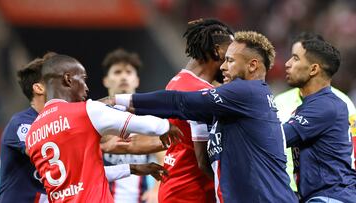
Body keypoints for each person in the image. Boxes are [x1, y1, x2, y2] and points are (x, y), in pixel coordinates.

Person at [113, 31, 298, 202]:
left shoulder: (245, 92)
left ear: (252, 65)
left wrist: (118, 101)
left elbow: (179, 101)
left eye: (230, 61)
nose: (223, 66)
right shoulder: (244, 101)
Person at [101, 18, 234, 203]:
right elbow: (203, 161)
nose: (231, 63)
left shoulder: (177, 81)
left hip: (175, 186)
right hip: (193, 192)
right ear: (217, 50)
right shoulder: (202, 93)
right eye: (230, 54)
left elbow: (178, 140)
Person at [24, 54, 181, 202]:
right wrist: (166, 125)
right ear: (68, 79)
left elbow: (79, 178)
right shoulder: (85, 111)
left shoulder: (33, 132)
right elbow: (147, 125)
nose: (86, 87)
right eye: (83, 79)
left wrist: (131, 168)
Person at [274, 32, 356, 194]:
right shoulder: (281, 101)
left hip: (328, 194)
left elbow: (277, 137)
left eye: (296, 58)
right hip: (295, 190)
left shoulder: (334, 103)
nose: (287, 64)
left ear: (313, 68)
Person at [100, 48, 165, 203]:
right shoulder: (97, 116)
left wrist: (156, 190)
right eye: (117, 72)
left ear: (136, 80)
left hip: (140, 199)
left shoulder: (149, 117)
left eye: (128, 72)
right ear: (106, 81)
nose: (123, 76)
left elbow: (164, 157)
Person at [0, 55, 51, 203]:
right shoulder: (21, 124)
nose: (67, 85)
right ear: (39, 88)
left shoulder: (62, 124)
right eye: (56, 80)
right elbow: (41, 150)